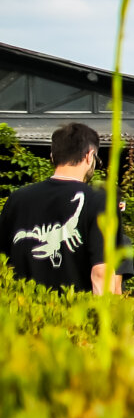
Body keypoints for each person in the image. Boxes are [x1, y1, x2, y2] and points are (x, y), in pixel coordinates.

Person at [1, 121, 122, 293]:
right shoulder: (101, 201)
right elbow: (101, 272)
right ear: (90, 156)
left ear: (52, 156)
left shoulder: (16, 199)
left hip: (22, 312)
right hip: (75, 315)